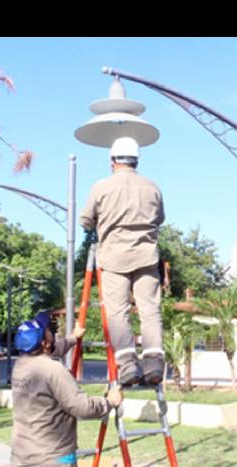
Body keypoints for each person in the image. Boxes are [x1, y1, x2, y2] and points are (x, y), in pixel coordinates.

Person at [79, 136, 166, 387]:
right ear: (136, 159)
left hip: (114, 258)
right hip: (146, 257)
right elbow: (159, 218)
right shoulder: (152, 187)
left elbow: (86, 220)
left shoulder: (101, 187)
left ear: (112, 161)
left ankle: (127, 365)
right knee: (149, 310)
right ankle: (153, 362)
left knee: (118, 312)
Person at [10, 310, 123, 467]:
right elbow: (80, 406)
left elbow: (52, 350)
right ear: (44, 342)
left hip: (23, 461)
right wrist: (109, 401)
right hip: (52, 464)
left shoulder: (21, 365)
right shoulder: (53, 370)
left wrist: (73, 338)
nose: (52, 331)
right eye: (48, 330)